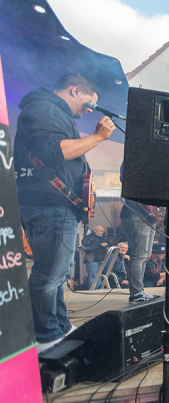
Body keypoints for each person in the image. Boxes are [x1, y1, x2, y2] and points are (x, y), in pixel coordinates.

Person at [14, 73, 116, 350]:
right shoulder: (45, 110)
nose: (88, 110)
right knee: (50, 274)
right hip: (49, 203)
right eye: (89, 104)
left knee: (58, 272)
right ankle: (47, 337)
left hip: (49, 202)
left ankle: (59, 326)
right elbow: (56, 151)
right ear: (75, 91)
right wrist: (97, 137)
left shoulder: (48, 111)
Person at [79, 225, 109, 289]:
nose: (102, 233)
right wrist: (99, 245)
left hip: (102, 259)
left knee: (100, 276)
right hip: (92, 259)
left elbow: (109, 244)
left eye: (103, 231)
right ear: (95, 231)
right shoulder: (88, 238)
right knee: (94, 277)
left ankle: (99, 290)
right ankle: (93, 291)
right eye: (101, 231)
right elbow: (84, 248)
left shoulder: (104, 238)